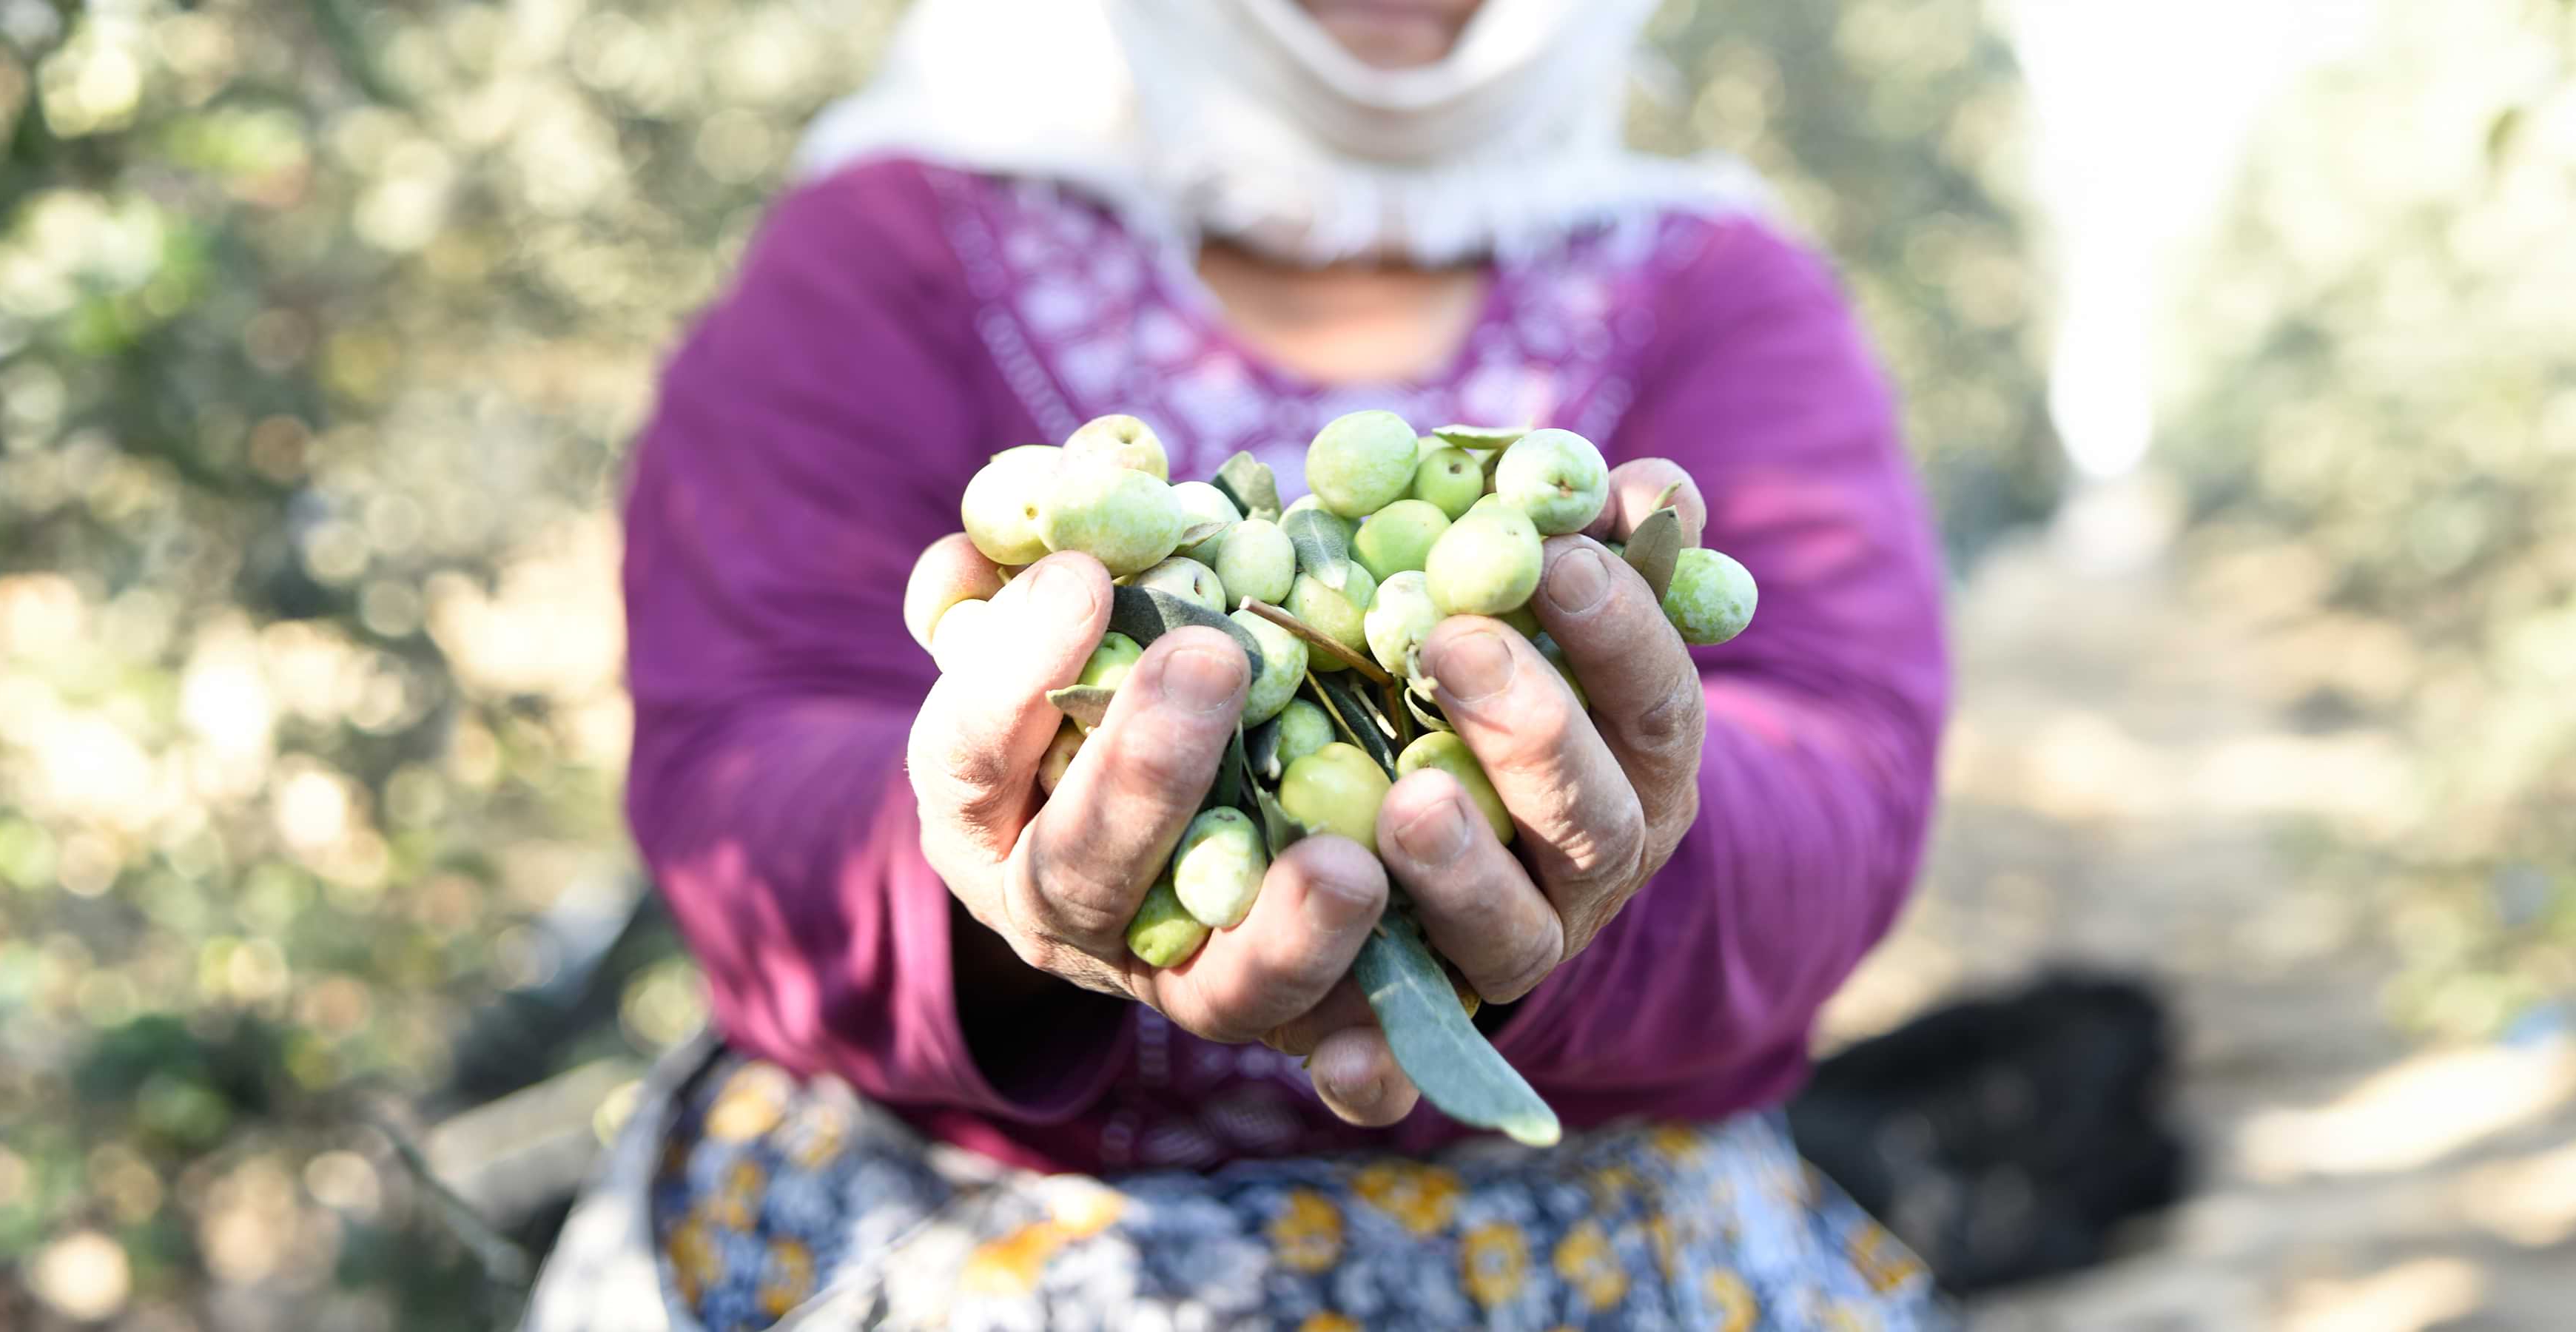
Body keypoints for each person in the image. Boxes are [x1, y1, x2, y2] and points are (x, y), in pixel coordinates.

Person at [525, 0, 1951, 1326]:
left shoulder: (1718, 287)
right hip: (932, 1222)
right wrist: (984, 886)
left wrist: (1589, 855)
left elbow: (1843, 765)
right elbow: (740, 750)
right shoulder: (884, 249)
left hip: (1580, 1239)